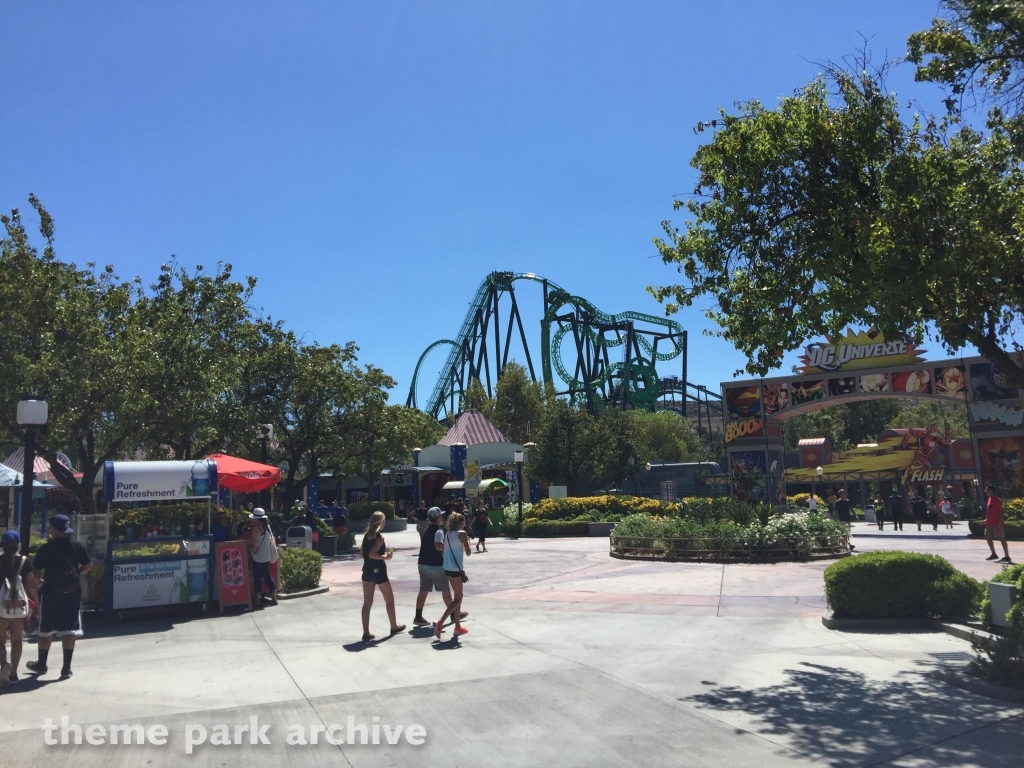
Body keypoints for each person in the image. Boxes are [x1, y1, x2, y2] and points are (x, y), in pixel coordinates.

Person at [27, 514, 92, 679]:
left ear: (54, 529)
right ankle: (66, 669)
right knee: (70, 630)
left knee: (46, 630)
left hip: (50, 593)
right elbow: (88, 566)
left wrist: (39, 581)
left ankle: (42, 664)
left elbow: (35, 571)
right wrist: (75, 574)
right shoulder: (76, 545)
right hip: (72, 593)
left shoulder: (47, 548)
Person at [413, 507, 468, 627]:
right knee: (445, 590)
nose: (442, 517)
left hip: (422, 564)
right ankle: (453, 614)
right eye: (441, 516)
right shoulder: (439, 531)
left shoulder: (427, 530)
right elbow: (438, 546)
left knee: (423, 590)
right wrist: (446, 547)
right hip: (435, 565)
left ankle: (418, 616)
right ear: (438, 518)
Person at [1, 530, 40, 686]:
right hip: (19, 607)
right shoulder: (25, 562)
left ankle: (4, 665)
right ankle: (14, 674)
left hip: (1, 606)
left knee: (0, 640)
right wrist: (37, 605)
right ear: (18, 545)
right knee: (17, 640)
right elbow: (31, 586)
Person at [360, 511, 405, 641]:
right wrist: (385, 556)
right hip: (379, 571)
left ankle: (366, 632)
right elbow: (372, 554)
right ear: (381, 523)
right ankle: (394, 626)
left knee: (367, 602)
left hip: (367, 570)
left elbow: (362, 554)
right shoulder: (379, 538)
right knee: (389, 600)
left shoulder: (366, 536)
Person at [435, 512, 471, 640]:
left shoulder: (447, 534)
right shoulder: (462, 534)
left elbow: (443, 552)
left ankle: (457, 627)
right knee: (458, 598)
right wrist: (468, 542)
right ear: (460, 523)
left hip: (447, 568)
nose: (464, 524)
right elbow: (468, 552)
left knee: (457, 597)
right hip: (456, 569)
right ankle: (440, 622)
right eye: (464, 521)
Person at [248, 508, 279, 605]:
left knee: (257, 577)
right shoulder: (267, 526)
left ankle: (257, 599)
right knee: (267, 575)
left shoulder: (256, 529)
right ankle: (274, 597)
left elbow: (254, 545)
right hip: (266, 555)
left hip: (258, 556)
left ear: (256, 519)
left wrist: (247, 543)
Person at [984, 485, 1013, 563]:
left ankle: (1007, 556)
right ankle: (994, 554)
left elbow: (1001, 512)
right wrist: (986, 519)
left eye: (987, 490)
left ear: (991, 491)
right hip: (989, 523)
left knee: (1001, 538)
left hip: (997, 523)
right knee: (988, 537)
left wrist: (999, 523)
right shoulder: (989, 499)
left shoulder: (997, 500)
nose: (985, 491)